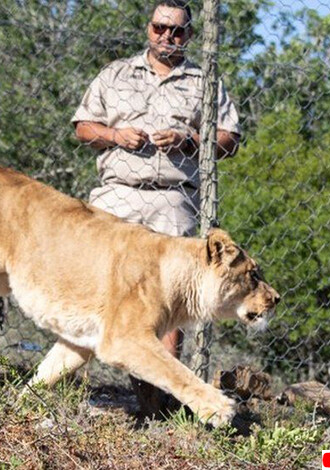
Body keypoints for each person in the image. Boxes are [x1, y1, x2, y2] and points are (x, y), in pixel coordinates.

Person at [72, 0, 242, 418]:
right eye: (159, 28)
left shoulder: (206, 82)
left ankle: (158, 400)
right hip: (118, 193)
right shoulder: (115, 74)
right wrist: (115, 135)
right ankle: (73, 383)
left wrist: (190, 139)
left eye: (177, 31)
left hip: (173, 196)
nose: (167, 37)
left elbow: (231, 139)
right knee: (89, 280)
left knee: (173, 294)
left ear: (190, 35)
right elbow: (82, 127)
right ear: (148, 28)